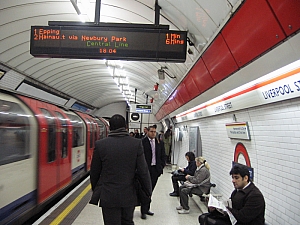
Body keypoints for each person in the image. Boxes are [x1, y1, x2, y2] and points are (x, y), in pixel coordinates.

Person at [89, 114, 152, 225]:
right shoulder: (136, 143)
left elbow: (94, 172)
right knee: (127, 222)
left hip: (108, 195)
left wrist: (97, 190)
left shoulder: (100, 145)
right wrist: (148, 191)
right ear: (125, 127)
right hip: (129, 194)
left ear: (110, 127)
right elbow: (143, 171)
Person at [199, 164, 265, 225]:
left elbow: (243, 218)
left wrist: (226, 208)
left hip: (243, 222)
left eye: (236, 178)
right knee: (204, 217)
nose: (233, 181)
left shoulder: (255, 196)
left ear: (245, 178)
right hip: (235, 221)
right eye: (233, 178)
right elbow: (231, 212)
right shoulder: (237, 191)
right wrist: (214, 209)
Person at [140, 125, 167, 219]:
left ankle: (147, 208)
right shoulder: (142, 142)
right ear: (147, 131)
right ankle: (143, 210)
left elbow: (163, 155)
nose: (153, 133)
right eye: (151, 131)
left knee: (151, 190)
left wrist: (161, 166)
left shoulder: (159, 143)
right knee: (145, 190)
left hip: (155, 169)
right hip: (145, 170)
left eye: (155, 132)